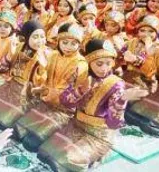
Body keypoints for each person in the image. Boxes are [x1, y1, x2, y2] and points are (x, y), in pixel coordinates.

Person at [38, 39, 147, 171]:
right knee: (44, 152)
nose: (104, 68)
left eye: (108, 63)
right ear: (89, 63)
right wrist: (80, 90)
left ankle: (98, 155)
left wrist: (122, 100)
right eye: (99, 64)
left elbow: (113, 123)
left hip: (99, 135)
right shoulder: (82, 75)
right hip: (77, 124)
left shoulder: (116, 84)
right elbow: (65, 102)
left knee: (65, 160)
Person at [14, 23, 88, 151]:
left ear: (79, 44)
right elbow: (42, 80)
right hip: (45, 101)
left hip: (63, 110)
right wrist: (42, 69)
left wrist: (44, 91)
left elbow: (67, 94)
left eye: (73, 43)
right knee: (17, 131)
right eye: (65, 42)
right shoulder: (53, 55)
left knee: (31, 143)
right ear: (58, 41)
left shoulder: (80, 64)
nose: (68, 47)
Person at [0, 20, 51, 128]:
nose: (40, 41)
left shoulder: (47, 54)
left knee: (4, 121)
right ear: (26, 37)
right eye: (35, 37)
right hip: (11, 85)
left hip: (28, 93)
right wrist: (10, 55)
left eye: (42, 37)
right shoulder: (19, 47)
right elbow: (0, 69)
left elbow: (43, 85)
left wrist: (43, 67)